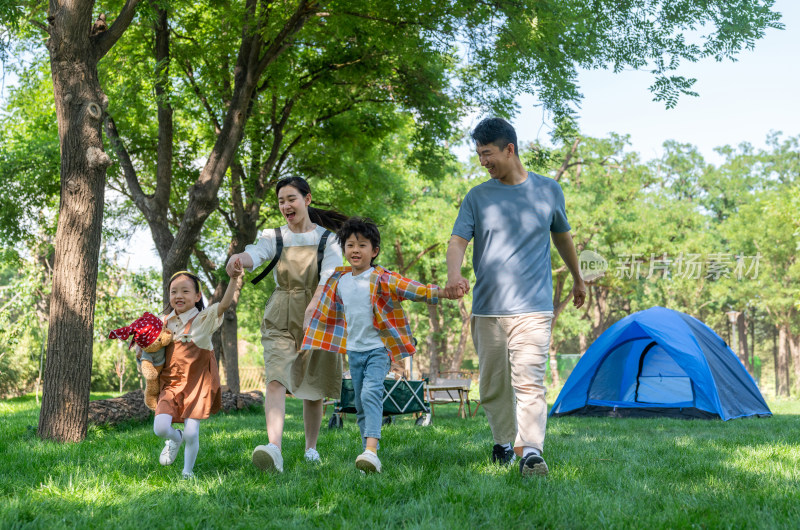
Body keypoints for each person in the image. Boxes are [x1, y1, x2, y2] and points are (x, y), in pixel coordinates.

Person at [444, 117, 586, 478]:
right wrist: (454, 274)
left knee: (529, 380)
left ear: (510, 149)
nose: (483, 161)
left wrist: (578, 278)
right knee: (493, 385)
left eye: (487, 153)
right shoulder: (477, 196)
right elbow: (458, 240)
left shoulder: (549, 190)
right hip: (488, 308)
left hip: (534, 308)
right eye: (478, 154)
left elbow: (563, 237)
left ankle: (532, 452)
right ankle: (505, 443)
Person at [302, 217, 455, 474]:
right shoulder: (339, 280)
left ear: (374, 251)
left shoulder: (381, 278)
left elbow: (411, 289)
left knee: (370, 393)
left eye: (362, 245)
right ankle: (367, 457)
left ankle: (371, 450)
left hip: (378, 349)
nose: (355, 250)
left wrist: (441, 292)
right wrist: (310, 331)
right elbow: (326, 313)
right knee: (360, 404)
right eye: (350, 245)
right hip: (354, 351)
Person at [226, 177, 346, 473]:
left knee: (313, 386)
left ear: (307, 199)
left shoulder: (327, 239)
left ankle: (311, 449)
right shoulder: (274, 235)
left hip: (319, 311)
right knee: (276, 378)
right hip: (281, 310)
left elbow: (331, 276)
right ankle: (274, 449)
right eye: (281, 201)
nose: (285, 206)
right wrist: (239, 258)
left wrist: (314, 307)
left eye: (291, 199)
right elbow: (257, 252)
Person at [154, 264, 243, 479]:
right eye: (174, 291)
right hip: (171, 385)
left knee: (193, 432)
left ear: (197, 296)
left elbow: (223, 305)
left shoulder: (204, 319)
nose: (178, 296)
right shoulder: (163, 321)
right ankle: (176, 438)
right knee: (160, 428)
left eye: (185, 291)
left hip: (197, 385)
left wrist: (233, 279)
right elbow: (149, 348)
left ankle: (187, 472)